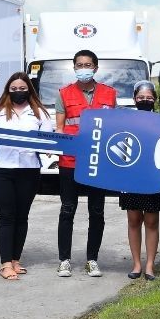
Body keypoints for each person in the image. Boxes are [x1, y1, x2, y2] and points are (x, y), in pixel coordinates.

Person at [0, 72, 54, 280]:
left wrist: (51, 148)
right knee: (6, 217)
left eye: (22, 88)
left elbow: (48, 141)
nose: (18, 92)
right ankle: (5, 263)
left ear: (29, 89)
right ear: (8, 91)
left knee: (21, 216)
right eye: (14, 89)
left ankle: (16, 260)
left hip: (28, 170)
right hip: (1, 169)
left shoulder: (40, 114)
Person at [54, 49, 117, 277]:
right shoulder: (63, 94)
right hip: (70, 161)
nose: (83, 68)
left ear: (95, 68)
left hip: (97, 163)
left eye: (87, 64)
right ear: (74, 67)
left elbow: (113, 129)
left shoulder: (110, 94)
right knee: (67, 210)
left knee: (97, 212)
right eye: (79, 65)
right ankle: (64, 260)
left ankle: (92, 259)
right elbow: (60, 129)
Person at [120, 80, 160, 281]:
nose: (144, 100)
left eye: (149, 97)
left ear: (155, 100)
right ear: (134, 98)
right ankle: (136, 264)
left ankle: (150, 265)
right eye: (141, 97)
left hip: (154, 176)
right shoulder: (125, 119)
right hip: (130, 176)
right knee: (133, 220)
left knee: (151, 221)